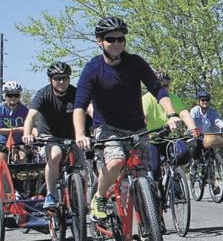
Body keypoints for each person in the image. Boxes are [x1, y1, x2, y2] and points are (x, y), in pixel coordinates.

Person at [74, 16, 181, 220]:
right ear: (100, 41)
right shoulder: (93, 68)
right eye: (110, 39)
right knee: (116, 162)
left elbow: (158, 90)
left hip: (137, 128)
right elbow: (79, 105)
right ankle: (99, 197)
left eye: (120, 39)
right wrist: (80, 133)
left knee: (143, 176)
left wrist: (171, 114)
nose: (116, 43)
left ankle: (148, 228)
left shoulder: (135, 63)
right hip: (107, 128)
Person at [22, 63, 86, 209]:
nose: (61, 82)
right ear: (50, 80)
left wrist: (99, 125)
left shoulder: (76, 93)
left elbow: (89, 109)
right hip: (49, 136)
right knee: (55, 155)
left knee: (82, 166)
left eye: (64, 78)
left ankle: (81, 200)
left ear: (69, 79)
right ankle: (51, 194)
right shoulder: (43, 94)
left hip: (73, 137)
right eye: (57, 78)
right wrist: (27, 133)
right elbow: (31, 116)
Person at [141, 70, 199, 187]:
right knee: (155, 169)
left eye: (166, 85)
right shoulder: (147, 99)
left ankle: (176, 179)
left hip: (170, 137)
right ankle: (157, 193)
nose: (163, 88)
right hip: (153, 139)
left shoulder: (173, 97)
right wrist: (143, 133)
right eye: (159, 85)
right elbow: (144, 117)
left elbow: (183, 113)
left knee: (183, 154)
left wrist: (193, 129)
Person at [1, 81, 29, 160]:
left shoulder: (25, 110)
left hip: (19, 142)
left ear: (20, 96)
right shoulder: (1, 109)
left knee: (22, 158)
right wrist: (17, 129)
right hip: (3, 142)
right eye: (10, 95)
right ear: (4, 96)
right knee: (2, 162)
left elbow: (29, 126)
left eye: (16, 95)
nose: (13, 98)